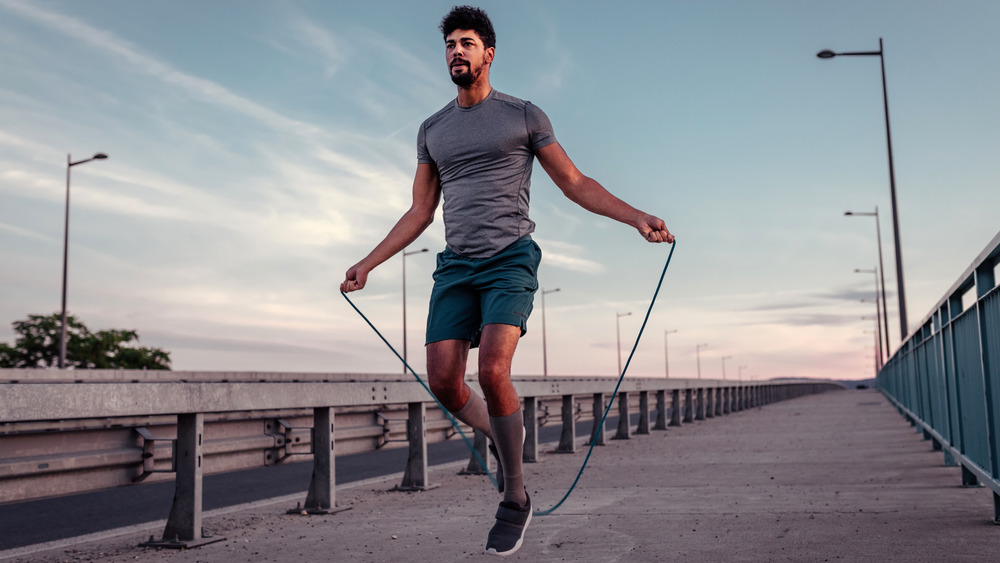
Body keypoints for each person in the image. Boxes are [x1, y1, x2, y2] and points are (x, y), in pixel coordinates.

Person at [340, 5, 673, 557]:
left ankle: (515, 496)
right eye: (450, 45)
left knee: (493, 370)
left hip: (509, 259)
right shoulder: (432, 129)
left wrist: (636, 216)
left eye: (467, 43)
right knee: (445, 382)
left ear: (488, 53)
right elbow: (420, 210)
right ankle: (503, 435)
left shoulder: (523, 115)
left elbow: (574, 182)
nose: (456, 52)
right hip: (456, 266)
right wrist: (368, 262)